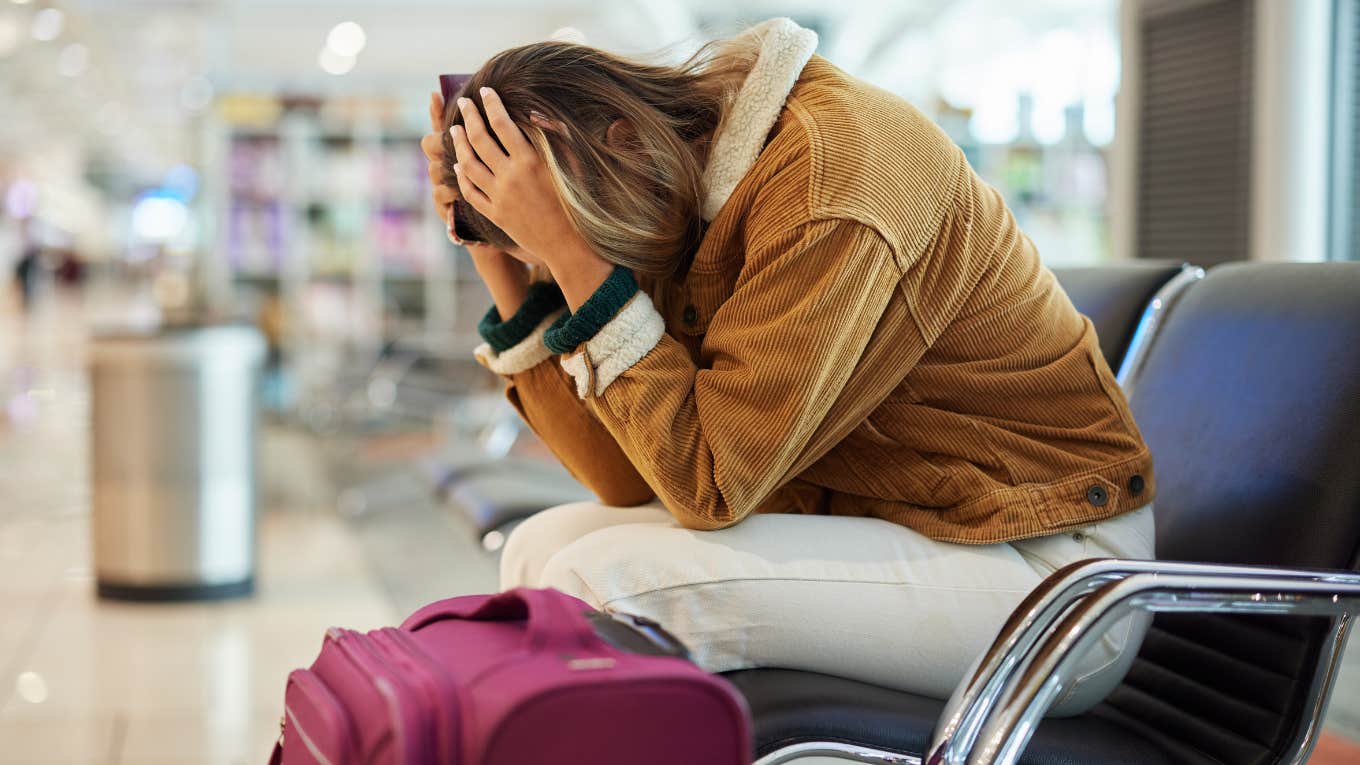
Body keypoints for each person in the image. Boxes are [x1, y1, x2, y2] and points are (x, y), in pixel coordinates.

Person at [420, 18, 1155, 716]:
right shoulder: (669, 185)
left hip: (1048, 569)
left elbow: (707, 484)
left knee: (601, 581)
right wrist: (503, 258)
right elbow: (626, 477)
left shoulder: (831, 183)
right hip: (901, 521)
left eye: (553, 238)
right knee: (540, 545)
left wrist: (579, 263)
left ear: (621, 141)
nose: (557, 262)